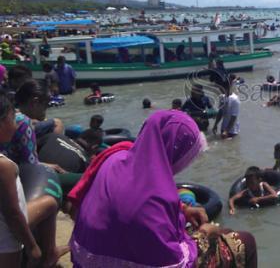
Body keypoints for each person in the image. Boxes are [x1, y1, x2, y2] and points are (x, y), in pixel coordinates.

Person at [71, 111, 257, 267]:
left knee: (223, 233)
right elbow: (176, 262)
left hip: (85, 256)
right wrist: (203, 234)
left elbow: (124, 207)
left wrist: (182, 209)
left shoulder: (115, 157)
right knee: (245, 241)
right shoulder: (156, 195)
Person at [0, 92, 67, 267]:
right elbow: (13, 214)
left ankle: (50, 252)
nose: (16, 125)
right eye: (13, 119)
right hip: (5, 242)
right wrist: (31, 246)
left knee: (49, 204)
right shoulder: (4, 167)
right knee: (50, 203)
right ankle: (48, 254)